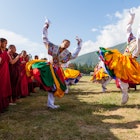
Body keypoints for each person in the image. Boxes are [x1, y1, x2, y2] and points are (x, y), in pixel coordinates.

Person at [42, 18, 82, 109]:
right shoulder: (53, 47)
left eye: (68, 44)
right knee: (50, 85)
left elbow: (75, 55)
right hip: (49, 68)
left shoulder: (66, 53)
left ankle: (50, 103)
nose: (67, 45)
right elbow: (44, 39)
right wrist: (46, 27)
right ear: (62, 42)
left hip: (57, 70)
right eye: (66, 43)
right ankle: (50, 103)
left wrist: (79, 44)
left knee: (55, 86)